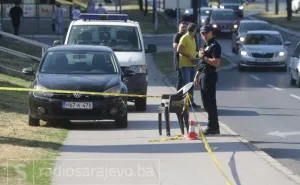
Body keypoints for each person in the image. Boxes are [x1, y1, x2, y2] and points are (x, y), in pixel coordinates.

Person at [194, 25, 221, 135]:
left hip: (210, 75)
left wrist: (203, 57)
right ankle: (213, 126)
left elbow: (216, 62)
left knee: (210, 102)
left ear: (211, 32)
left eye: (206, 33)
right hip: (203, 75)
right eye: (202, 33)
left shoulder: (215, 46)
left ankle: (213, 127)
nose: (204, 35)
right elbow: (202, 64)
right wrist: (196, 75)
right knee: (205, 103)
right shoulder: (206, 45)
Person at [177, 23, 201, 108]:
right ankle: (184, 102)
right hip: (185, 65)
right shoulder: (184, 38)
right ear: (194, 30)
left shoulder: (193, 38)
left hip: (192, 64)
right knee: (187, 84)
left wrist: (198, 54)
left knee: (191, 84)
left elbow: (192, 50)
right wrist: (189, 56)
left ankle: (191, 102)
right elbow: (179, 50)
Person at [173, 22, 187, 91]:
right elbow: (175, 46)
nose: (184, 29)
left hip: (186, 61)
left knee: (186, 80)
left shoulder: (188, 37)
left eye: (185, 27)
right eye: (182, 27)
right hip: (178, 60)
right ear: (179, 27)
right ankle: (177, 94)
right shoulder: (177, 36)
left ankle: (184, 96)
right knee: (180, 78)